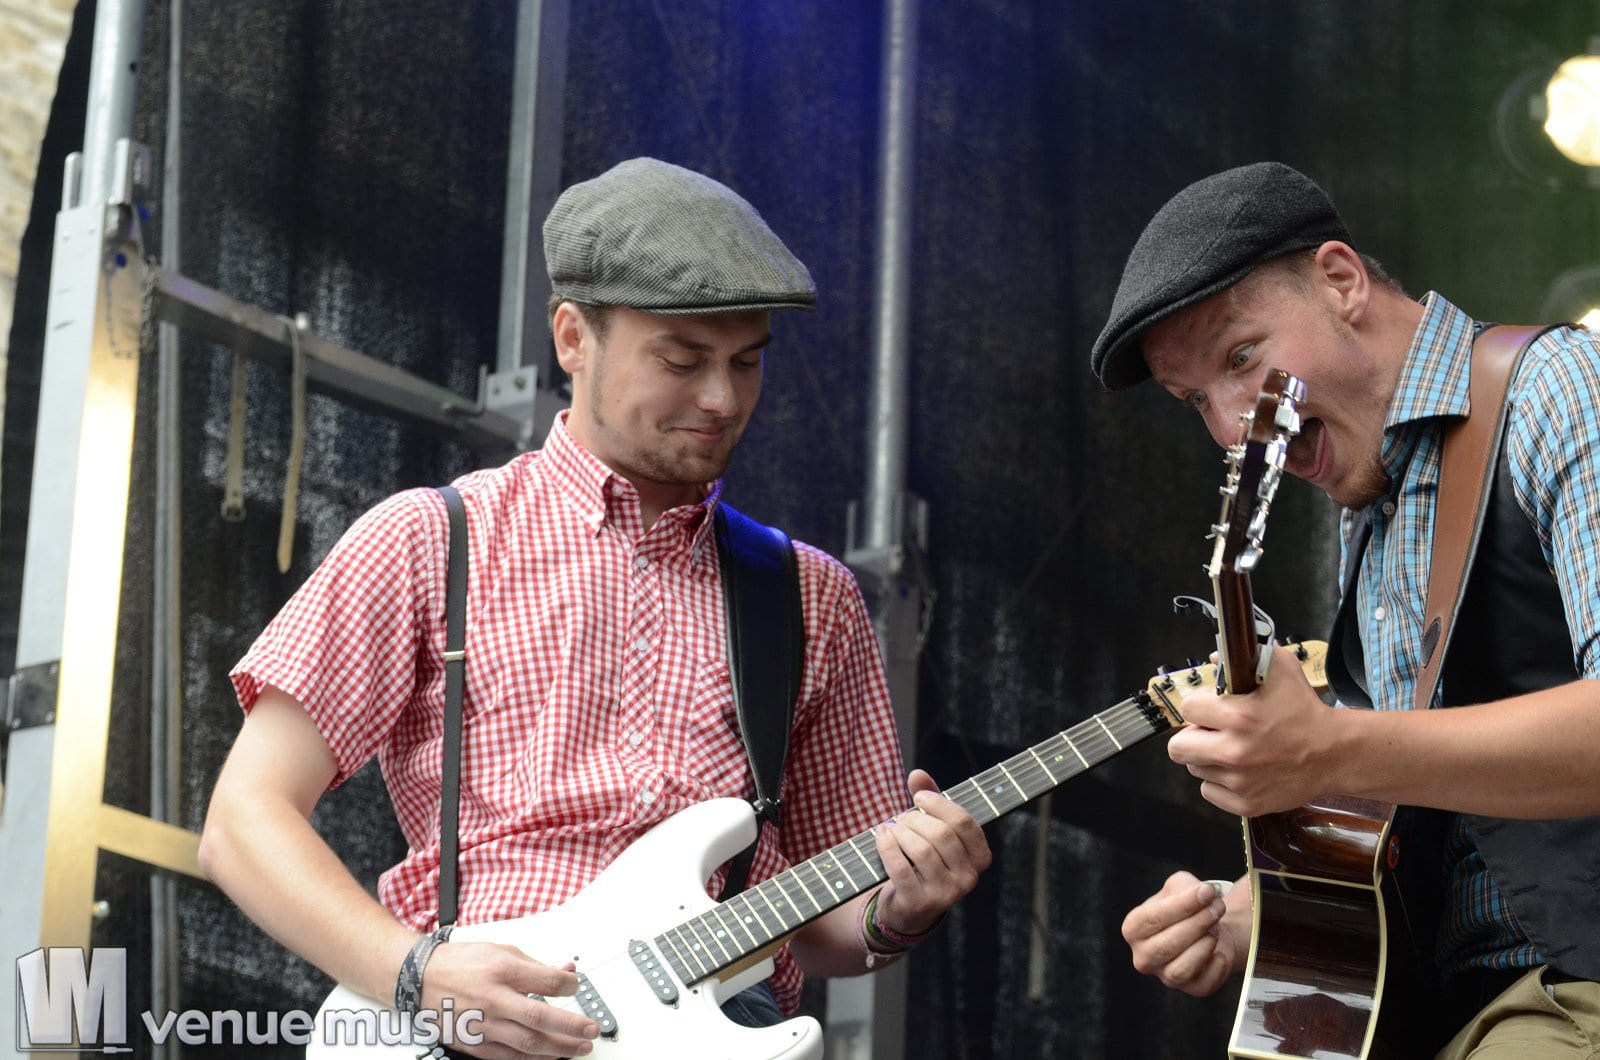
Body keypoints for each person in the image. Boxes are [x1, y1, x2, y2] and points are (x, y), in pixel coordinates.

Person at [199, 157, 990, 1059]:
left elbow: (828, 924)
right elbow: (244, 820)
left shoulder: (812, 596)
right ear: (573, 337)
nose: (722, 398)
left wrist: (900, 908)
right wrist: (415, 973)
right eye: (682, 360)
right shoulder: (433, 538)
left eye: (747, 362)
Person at [1090, 161, 1600, 1058]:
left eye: (1241, 358)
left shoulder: (1559, 387)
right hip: (1454, 1009)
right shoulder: (1370, 513)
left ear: (1340, 280)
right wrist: (1261, 913)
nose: (1231, 426)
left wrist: (1329, 748)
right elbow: (1419, 825)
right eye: (1196, 400)